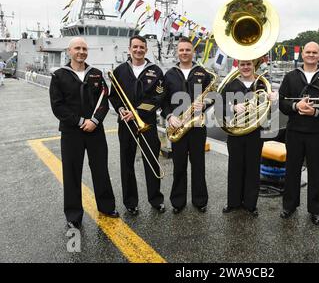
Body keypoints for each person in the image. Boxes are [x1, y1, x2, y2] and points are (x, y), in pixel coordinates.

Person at [49, 37, 119, 229]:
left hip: (96, 130)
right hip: (72, 132)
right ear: (69, 51)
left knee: (101, 170)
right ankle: (73, 215)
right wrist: (81, 122)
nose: (81, 51)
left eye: (84, 48)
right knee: (72, 173)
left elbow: (105, 100)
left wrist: (95, 121)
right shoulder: (59, 76)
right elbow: (58, 107)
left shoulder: (96, 74)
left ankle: (106, 207)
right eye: (77, 48)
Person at [279, 42, 319, 225]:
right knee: (292, 170)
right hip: (295, 131)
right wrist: (296, 106)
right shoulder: (290, 76)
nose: (311, 55)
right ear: (303, 54)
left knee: (316, 172)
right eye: (308, 52)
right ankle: (289, 206)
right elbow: (282, 103)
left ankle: (315, 210)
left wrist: (316, 112)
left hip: (316, 132)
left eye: (315, 52)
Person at [109, 35, 166, 215]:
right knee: (127, 163)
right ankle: (130, 203)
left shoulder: (155, 71)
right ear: (130, 48)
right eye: (135, 47)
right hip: (125, 123)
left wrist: (137, 113)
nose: (138, 50)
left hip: (146, 121)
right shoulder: (119, 71)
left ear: (146, 50)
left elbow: (158, 98)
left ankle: (156, 200)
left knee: (152, 161)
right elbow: (114, 96)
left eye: (142, 47)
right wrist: (120, 109)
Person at [162, 36, 213, 214]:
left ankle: (200, 201)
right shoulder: (169, 74)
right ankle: (178, 202)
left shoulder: (202, 72)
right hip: (178, 125)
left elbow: (212, 95)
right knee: (179, 166)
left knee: (198, 165)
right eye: (181, 50)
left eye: (188, 50)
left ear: (193, 52)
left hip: (198, 126)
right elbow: (163, 101)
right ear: (178, 52)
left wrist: (205, 104)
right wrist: (169, 116)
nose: (184, 53)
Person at [221, 59, 277, 217]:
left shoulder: (262, 85)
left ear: (254, 66)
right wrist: (232, 107)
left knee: (253, 168)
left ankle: (251, 204)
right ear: (238, 67)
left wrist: (274, 101)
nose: (245, 67)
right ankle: (233, 202)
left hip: (255, 133)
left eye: (249, 64)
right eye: (242, 65)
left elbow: (271, 111)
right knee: (235, 166)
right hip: (235, 133)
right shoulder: (231, 85)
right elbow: (219, 106)